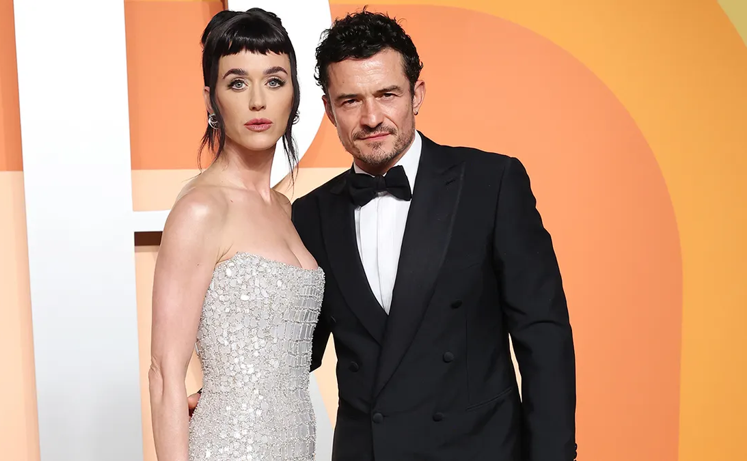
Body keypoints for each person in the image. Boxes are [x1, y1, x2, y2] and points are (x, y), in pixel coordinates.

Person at [190, 8, 577, 461]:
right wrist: (224, 398)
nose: (371, 117)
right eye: (350, 101)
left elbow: (543, 335)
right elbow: (296, 344)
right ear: (329, 110)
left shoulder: (490, 183)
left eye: (387, 94)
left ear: (417, 94)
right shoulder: (311, 214)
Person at [150, 8, 323, 461]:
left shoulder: (285, 210)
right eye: (237, 83)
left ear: (294, 94)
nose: (258, 102)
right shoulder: (201, 209)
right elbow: (165, 374)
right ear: (211, 100)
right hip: (229, 448)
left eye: (274, 81)